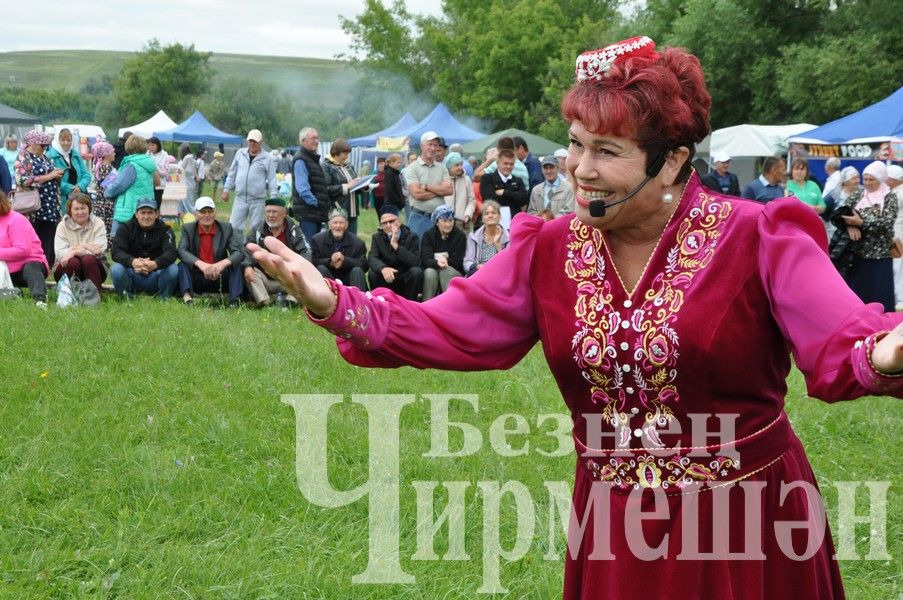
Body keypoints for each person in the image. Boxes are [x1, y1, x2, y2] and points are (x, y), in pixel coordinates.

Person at [247, 35, 903, 600]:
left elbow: (838, 334)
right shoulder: (551, 249)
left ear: (672, 158)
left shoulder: (757, 236)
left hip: (746, 526)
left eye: (608, 151)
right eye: (574, 145)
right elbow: (452, 326)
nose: (580, 171)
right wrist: (335, 303)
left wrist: (884, 353)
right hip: (613, 526)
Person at [839, 161, 898, 312]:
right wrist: (850, 225)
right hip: (858, 256)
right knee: (859, 298)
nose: (867, 183)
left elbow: (886, 222)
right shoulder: (858, 195)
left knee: (880, 297)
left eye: (871, 179)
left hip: (880, 257)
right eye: (865, 179)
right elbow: (840, 213)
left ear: (881, 179)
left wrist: (861, 222)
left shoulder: (889, 197)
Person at [243, 197, 311, 307]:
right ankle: (264, 303)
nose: (271, 215)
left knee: (300, 271)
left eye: (274, 212)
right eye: (268, 212)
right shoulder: (257, 229)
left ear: (284, 213)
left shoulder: (294, 230)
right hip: (266, 277)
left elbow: (306, 251)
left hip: (288, 278)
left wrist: (297, 268)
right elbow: (246, 249)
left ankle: (291, 301)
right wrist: (247, 266)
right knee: (250, 271)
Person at [177, 196, 244, 307]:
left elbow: (238, 253)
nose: (207, 215)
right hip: (198, 274)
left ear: (215, 212)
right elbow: (181, 251)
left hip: (219, 276)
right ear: (195, 214)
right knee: (182, 265)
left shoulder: (226, 228)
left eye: (210, 211)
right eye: (203, 212)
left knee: (236, 265)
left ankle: (234, 301)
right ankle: (187, 299)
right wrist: (202, 265)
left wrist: (220, 265)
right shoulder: (188, 229)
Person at [110, 197, 178, 299]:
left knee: (173, 269)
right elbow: (116, 251)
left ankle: (163, 299)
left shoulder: (165, 230)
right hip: (132, 273)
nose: (146, 216)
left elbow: (172, 252)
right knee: (116, 269)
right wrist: (133, 262)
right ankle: (127, 299)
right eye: (143, 212)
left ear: (156, 214)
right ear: (136, 214)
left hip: (156, 274)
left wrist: (155, 264)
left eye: (150, 212)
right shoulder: (125, 228)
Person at [15, 129, 65, 266]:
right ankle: (32, 266)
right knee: (33, 236)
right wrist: (49, 176)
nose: (45, 148)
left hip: (49, 205)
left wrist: (57, 175)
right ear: (33, 143)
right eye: (43, 145)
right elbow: (23, 180)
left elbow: (49, 175)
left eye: (46, 146)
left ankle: (46, 266)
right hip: (32, 206)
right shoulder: (23, 156)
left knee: (48, 236)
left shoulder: (45, 157)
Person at [53, 192, 108, 296]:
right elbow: (60, 253)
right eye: (76, 209)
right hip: (67, 268)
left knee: (88, 259)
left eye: (83, 208)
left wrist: (75, 251)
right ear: (70, 211)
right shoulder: (62, 225)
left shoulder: (98, 223)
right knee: (72, 262)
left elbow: (99, 250)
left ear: (89, 209)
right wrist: (86, 248)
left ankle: (95, 298)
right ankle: (68, 297)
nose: (80, 212)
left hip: (94, 269)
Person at [222, 130, 277, 234]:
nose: (252, 144)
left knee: (257, 229)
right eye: (250, 141)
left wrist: (273, 198)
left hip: (258, 200)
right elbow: (232, 172)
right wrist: (226, 189)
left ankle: (254, 250)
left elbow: (272, 179)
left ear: (260, 142)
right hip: (240, 198)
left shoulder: (267, 158)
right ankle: (237, 249)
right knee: (234, 227)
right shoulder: (240, 153)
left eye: (255, 141)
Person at [0, 190, 48, 307]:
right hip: (4, 269)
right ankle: (12, 293)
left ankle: (39, 299)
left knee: (31, 267)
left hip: (26, 266)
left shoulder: (17, 219)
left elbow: (22, 250)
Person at [105, 135, 160, 237]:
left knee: (123, 240)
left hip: (129, 209)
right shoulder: (148, 163)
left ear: (128, 147)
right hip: (144, 205)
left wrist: (107, 193)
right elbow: (157, 182)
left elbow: (120, 185)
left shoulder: (132, 164)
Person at [366, 205, 422, 299]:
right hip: (387, 278)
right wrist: (383, 268)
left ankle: (409, 304)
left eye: (391, 221)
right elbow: (372, 257)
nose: (388, 225)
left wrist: (396, 246)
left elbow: (415, 261)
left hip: (405, 278)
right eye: (384, 223)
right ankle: (380, 303)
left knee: (416, 272)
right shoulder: (377, 237)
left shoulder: (412, 237)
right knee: (373, 274)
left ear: (399, 222)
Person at [405, 131, 452, 240]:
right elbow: (417, 194)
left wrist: (426, 187)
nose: (433, 148)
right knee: (419, 252)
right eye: (429, 144)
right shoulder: (412, 168)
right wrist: (439, 191)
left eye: (435, 145)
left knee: (440, 253)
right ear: (421, 146)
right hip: (420, 218)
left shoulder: (442, 167)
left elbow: (449, 190)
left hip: (440, 220)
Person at [310, 207, 368, 292]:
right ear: (329, 224)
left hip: (349, 280)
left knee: (357, 270)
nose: (338, 226)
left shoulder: (358, 243)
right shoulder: (317, 240)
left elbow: (364, 266)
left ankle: (360, 302)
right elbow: (313, 262)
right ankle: (324, 302)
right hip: (329, 279)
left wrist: (344, 259)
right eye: (335, 222)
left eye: (341, 223)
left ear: (347, 225)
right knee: (321, 268)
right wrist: (331, 262)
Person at [292, 127, 330, 243]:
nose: (317, 141)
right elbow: (302, 189)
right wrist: (316, 203)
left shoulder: (311, 158)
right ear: (303, 141)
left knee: (317, 246)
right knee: (310, 248)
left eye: (318, 138)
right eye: (313, 138)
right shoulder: (301, 160)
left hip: (315, 213)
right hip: (309, 213)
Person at [420, 205, 466, 300]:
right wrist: (437, 263)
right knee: (429, 272)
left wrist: (446, 261)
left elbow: (459, 262)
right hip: (434, 269)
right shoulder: (428, 235)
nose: (448, 224)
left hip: (453, 272)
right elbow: (426, 259)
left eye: (451, 220)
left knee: (446, 271)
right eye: (444, 221)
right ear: (437, 222)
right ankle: (427, 306)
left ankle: (449, 305)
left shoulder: (460, 236)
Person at [322, 139, 364, 235]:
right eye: (344, 153)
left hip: (353, 210)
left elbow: (354, 184)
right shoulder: (326, 166)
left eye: (347, 153)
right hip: (337, 211)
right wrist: (347, 186)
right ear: (336, 152)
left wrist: (362, 185)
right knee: (337, 240)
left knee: (352, 241)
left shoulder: (349, 166)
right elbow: (327, 189)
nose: (347, 156)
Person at [48, 128, 91, 214]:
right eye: (63, 140)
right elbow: (52, 179)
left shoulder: (75, 154)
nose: (66, 143)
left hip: (80, 196)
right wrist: (71, 188)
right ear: (57, 140)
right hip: (62, 199)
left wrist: (79, 186)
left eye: (69, 140)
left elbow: (86, 175)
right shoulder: (50, 156)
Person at [479, 149, 529, 218]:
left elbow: (524, 200)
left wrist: (505, 192)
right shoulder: (487, 179)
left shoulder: (518, 180)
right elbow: (489, 200)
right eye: (505, 163)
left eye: (511, 164)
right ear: (497, 163)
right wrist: (514, 196)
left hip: (513, 223)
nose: (508, 167)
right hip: (494, 222)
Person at [463, 200, 509, 275]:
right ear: (482, 218)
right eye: (486, 213)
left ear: (499, 216)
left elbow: (509, 264)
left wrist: (497, 245)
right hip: (479, 274)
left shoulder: (508, 237)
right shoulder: (473, 237)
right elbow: (467, 262)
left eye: (493, 213)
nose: (490, 216)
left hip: (499, 275)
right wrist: (477, 266)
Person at [90, 140, 116, 241]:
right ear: (106, 154)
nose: (114, 153)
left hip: (101, 202)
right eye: (112, 151)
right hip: (106, 203)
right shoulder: (106, 167)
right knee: (106, 226)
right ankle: (107, 245)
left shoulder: (100, 166)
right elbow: (109, 186)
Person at [443, 152, 476, 230]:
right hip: (445, 222)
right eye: (457, 165)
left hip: (462, 223)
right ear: (449, 167)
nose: (460, 167)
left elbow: (472, 200)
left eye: (461, 164)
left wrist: (468, 215)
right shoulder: (442, 179)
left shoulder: (466, 179)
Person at [888, 164, 903, 309]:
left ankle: (900, 297)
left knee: (898, 265)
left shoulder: (898, 193)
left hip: (898, 233)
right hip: (897, 231)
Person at [147, 136, 170, 208]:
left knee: (156, 205)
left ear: (158, 145)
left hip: (159, 185)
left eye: (153, 145)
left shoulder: (164, 155)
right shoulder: (147, 154)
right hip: (149, 184)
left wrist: (156, 171)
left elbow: (166, 172)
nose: (151, 147)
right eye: (149, 145)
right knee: (148, 205)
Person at [177, 143, 197, 215]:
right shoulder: (190, 158)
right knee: (182, 203)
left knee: (188, 205)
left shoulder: (188, 157)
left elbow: (180, 169)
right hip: (186, 184)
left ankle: (193, 217)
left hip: (186, 184)